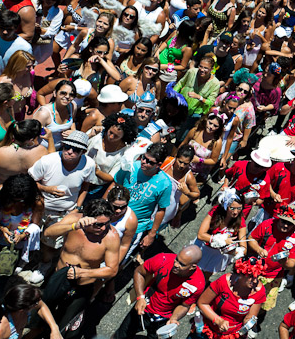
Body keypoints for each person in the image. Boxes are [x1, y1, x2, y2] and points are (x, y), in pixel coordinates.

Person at [38, 198, 120, 338]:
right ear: (86, 219)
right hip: (58, 279)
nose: (103, 228)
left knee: (68, 329)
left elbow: (112, 269)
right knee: (39, 320)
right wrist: (73, 226)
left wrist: (84, 272)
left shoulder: (111, 237)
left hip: (82, 287)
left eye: (106, 223)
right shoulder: (74, 220)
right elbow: (48, 233)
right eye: (98, 224)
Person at [29, 130, 96, 259]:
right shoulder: (48, 161)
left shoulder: (89, 165)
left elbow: (86, 185)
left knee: (51, 245)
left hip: (64, 212)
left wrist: (77, 207)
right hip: (39, 208)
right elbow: (30, 181)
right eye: (67, 147)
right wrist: (46, 189)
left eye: (76, 149)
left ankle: (43, 266)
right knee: (31, 236)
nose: (70, 151)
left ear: (83, 152)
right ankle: (26, 262)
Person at [114, 245, 206, 339]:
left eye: (182, 264)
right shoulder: (163, 259)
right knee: (120, 336)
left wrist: (174, 318)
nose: (176, 264)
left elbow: (184, 305)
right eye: (177, 259)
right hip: (144, 307)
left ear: (192, 267)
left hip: (165, 319)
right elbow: (139, 272)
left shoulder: (198, 284)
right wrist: (140, 297)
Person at [110, 142, 173, 255]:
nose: (144, 162)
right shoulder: (132, 166)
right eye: (144, 157)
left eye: (149, 162)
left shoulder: (165, 183)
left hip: (136, 227)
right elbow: (115, 184)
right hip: (113, 216)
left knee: (118, 257)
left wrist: (151, 235)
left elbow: (161, 210)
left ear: (158, 165)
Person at [247, 205, 295, 314]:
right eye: (283, 221)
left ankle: (256, 318)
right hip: (254, 268)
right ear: (279, 218)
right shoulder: (268, 224)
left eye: (290, 224)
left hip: (273, 275)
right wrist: (259, 249)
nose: (286, 225)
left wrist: (283, 262)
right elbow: (251, 238)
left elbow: (291, 263)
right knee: (245, 295)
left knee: (264, 302)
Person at [193, 256, 267, 339]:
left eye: (257, 276)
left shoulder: (259, 291)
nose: (255, 281)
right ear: (240, 274)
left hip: (232, 334)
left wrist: (250, 323)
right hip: (209, 327)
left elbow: (249, 317)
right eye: (250, 276)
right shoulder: (223, 282)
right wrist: (218, 320)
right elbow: (202, 303)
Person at [192, 189, 247, 280]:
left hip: (217, 255)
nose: (236, 212)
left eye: (239, 208)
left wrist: (236, 251)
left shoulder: (241, 221)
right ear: (225, 206)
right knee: (190, 269)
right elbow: (201, 235)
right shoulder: (215, 212)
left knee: (203, 277)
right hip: (203, 248)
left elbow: (244, 248)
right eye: (232, 208)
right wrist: (222, 240)